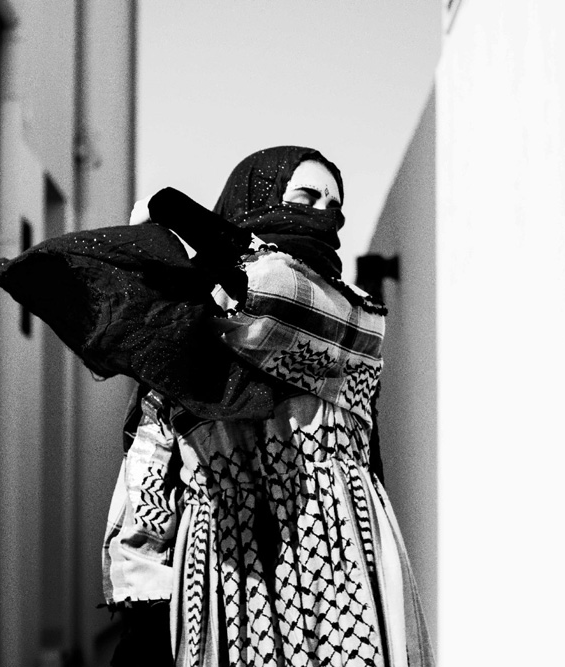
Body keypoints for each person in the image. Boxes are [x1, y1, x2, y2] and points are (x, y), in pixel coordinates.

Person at [101, 147, 433, 667]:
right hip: (230, 564)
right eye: (306, 197)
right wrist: (144, 596)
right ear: (257, 198)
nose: (321, 215)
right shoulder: (186, 323)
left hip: (340, 554)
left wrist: (174, 215)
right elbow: (150, 462)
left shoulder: (353, 315)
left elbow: (274, 296)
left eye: (333, 207)